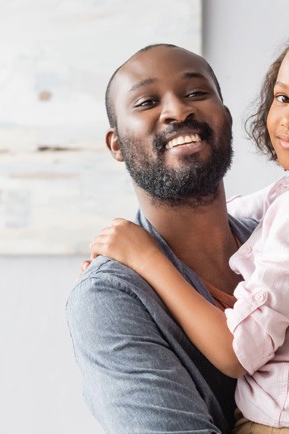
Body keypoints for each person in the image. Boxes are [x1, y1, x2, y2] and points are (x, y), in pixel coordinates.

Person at [86, 3, 289, 433]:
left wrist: (147, 258)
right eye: (282, 97)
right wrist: (129, 252)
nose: (177, 111)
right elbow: (256, 206)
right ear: (116, 145)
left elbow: (236, 354)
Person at [66, 43, 257, 433]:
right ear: (116, 144)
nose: (177, 110)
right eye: (147, 101)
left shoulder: (280, 245)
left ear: (225, 118)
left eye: (196, 93)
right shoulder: (110, 298)